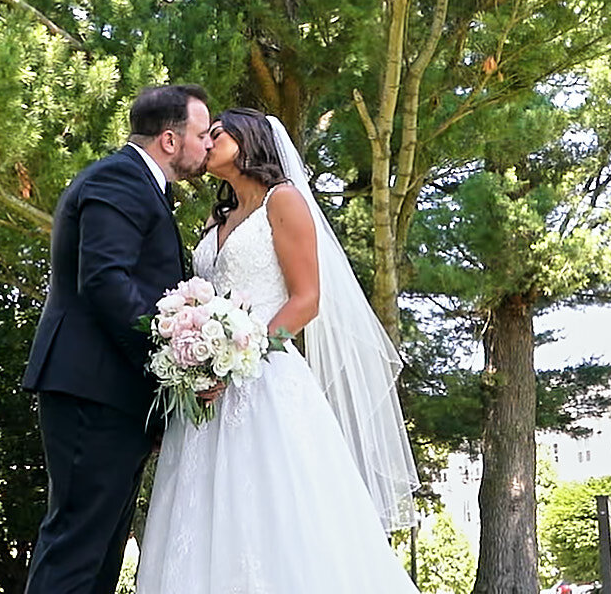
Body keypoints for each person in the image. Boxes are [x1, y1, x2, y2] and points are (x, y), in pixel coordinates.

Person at [135, 107, 422, 594]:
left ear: (248, 140)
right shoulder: (217, 217)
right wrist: (197, 354)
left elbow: (306, 298)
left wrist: (243, 354)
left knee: (277, 514)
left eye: (217, 133)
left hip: (264, 379)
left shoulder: (283, 201)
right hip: (208, 395)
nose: (206, 143)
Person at [21, 83, 213, 594]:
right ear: (169, 140)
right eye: (200, 135)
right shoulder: (120, 178)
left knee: (101, 556)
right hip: (93, 388)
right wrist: (169, 362)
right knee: (76, 549)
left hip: (115, 393)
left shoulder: (143, 186)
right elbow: (105, 280)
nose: (207, 145)